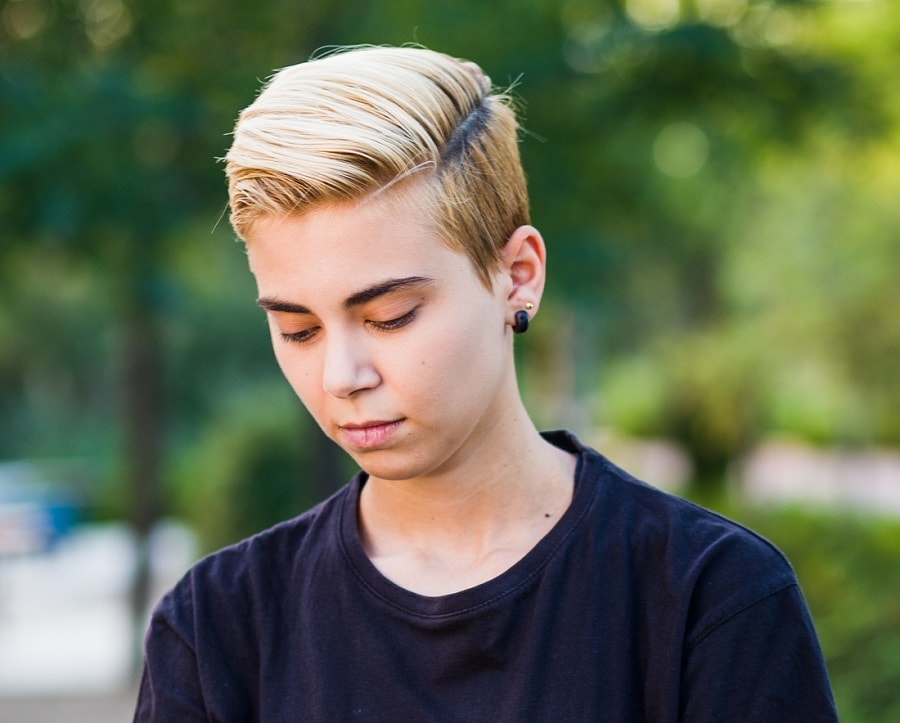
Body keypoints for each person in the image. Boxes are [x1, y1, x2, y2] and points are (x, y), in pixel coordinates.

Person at [134, 45, 838, 721]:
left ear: (517, 276)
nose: (341, 376)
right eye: (298, 329)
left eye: (390, 316)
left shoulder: (709, 597)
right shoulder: (216, 629)